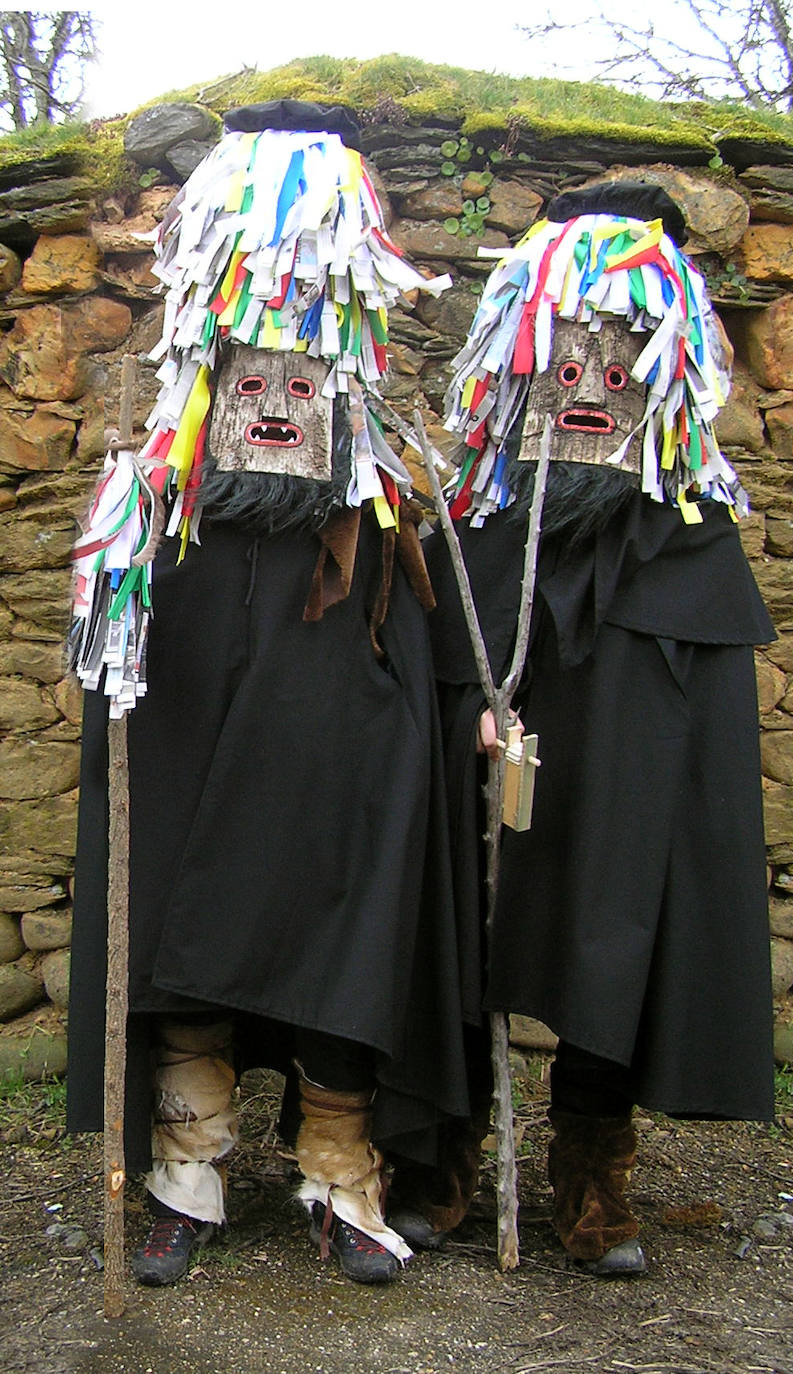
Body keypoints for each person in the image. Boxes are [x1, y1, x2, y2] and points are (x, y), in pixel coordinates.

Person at [66, 101, 469, 1288]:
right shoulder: (152, 494)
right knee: (181, 885)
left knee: (346, 898)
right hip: (192, 639)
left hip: (336, 665)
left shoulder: (386, 490)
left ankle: (341, 1168)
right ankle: (186, 1169)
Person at [413, 183, 776, 1275]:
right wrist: (462, 703)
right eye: (563, 370)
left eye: (616, 374)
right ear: (518, 369)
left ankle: (590, 1164)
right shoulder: (472, 522)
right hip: (499, 753)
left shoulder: (688, 543)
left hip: (614, 754)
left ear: (660, 385)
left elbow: (697, 735)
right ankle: (443, 1148)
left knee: (616, 911)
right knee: (458, 912)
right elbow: (430, 661)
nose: (586, 394)